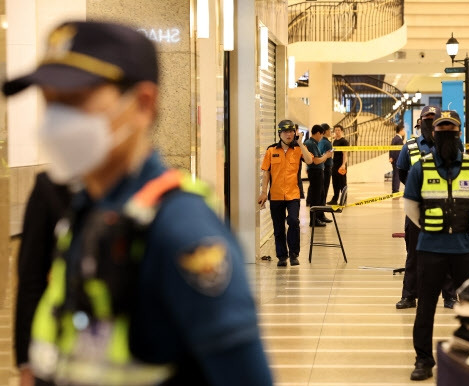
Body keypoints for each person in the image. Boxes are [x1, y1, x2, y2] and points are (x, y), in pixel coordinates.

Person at [3, 21, 273, 385]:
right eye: (50, 102)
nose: (55, 121)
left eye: (75, 100)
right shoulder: (90, 210)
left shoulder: (179, 227)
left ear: (143, 104)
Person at [403, 110, 469, 381]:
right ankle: (423, 360)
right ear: (434, 134)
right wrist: (433, 229)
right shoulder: (422, 167)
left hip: (465, 249)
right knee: (426, 307)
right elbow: (411, 207)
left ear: (458, 135)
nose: (446, 136)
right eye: (441, 132)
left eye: (451, 132)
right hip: (431, 249)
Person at [395, 106, 457, 311]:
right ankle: (409, 296)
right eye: (426, 119)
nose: (430, 122)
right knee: (414, 254)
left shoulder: (454, 145)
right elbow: (402, 172)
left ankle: (450, 297)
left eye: (433, 119)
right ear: (420, 122)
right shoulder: (410, 146)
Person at [14, 172, 72, 386]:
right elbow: (31, 280)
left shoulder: (155, 194)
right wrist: (26, 362)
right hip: (57, 354)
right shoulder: (52, 189)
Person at [258, 119, 313, 266]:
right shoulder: (271, 151)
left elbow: (309, 161)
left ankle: (294, 254)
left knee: (294, 221)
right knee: (278, 227)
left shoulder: (298, 149)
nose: (289, 134)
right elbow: (266, 173)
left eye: (291, 131)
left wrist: (301, 142)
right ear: (279, 133)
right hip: (275, 195)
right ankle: (282, 256)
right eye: (285, 132)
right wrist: (263, 192)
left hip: (293, 193)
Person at [304, 124, 332, 226]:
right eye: (321, 135)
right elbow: (316, 160)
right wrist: (326, 156)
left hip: (318, 172)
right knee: (316, 197)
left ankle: (319, 216)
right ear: (318, 133)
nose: (321, 137)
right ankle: (314, 220)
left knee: (320, 195)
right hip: (315, 172)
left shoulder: (314, 143)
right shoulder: (310, 143)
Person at [327, 124, 348, 205]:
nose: (337, 132)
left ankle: (344, 200)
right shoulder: (335, 141)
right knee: (335, 183)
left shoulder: (344, 141)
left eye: (339, 130)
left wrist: (343, 164)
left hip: (341, 165)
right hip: (334, 164)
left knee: (342, 183)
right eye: (336, 130)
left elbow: (345, 154)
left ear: (342, 131)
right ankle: (335, 199)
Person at [319, 123, 333, 205]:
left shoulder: (320, 141)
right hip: (326, 168)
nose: (330, 131)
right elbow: (326, 155)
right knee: (325, 188)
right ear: (325, 131)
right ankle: (322, 205)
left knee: (322, 188)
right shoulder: (327, 143)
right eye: (329, 130)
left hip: (321, 168)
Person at [389, 125, 405, 193]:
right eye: (403, 130)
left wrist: (391, 157)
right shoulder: (399, 140)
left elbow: (391, 149)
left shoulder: (394, 138)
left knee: (395, 175)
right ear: (401, 130)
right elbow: (397, 152)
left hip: (394, 159)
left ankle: (394, 189)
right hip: (397, 160)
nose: (404, 132)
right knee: (397, 175)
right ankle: (396, 190)